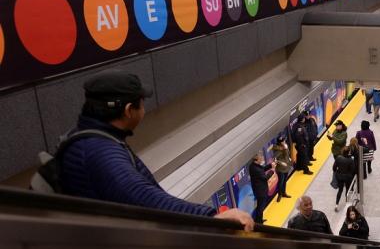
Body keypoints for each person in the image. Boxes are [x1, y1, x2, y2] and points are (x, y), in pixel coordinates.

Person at [58, 71, 252, 230]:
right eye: (142, 104)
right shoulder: (100, 153)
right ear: (128, 110)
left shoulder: (86, 137)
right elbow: (144, 197)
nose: (144, 109)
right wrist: (211, 217)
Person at [248, 153, 273, 224]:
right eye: (260, 158)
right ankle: (258, 222)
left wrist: (270, 165)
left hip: (259, 190)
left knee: (260, 206)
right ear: (256, 159)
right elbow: (265, 178)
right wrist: (272, 171)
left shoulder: (253, 166)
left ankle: (260, 220)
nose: (262, 159)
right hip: (261, 191)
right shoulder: (256, 169)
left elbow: (262, 169)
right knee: (260, 207)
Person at [332, 146, 356, 211]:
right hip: (347, 177)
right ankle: (346, 204)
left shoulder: (338, 158)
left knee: (340, 190)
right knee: (347, 190)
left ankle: (336, 205)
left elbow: (334, 168)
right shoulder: (350, 160)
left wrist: (337, 172)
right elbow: (353, 170)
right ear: (348, 152)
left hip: (339, 177)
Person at [272, 137, 292, 202]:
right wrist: (281, 163)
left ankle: (284, 193)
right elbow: (275, 159)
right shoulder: (277, 150)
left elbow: (287, 155)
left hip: (286, 166)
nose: (284, 142)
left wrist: (285, 148)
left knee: (284, 181)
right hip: (281, 168)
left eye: (284, 141)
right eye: (282, 141)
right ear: (280, 143)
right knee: (280, 182)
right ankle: (279, 194)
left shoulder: (285, 146)